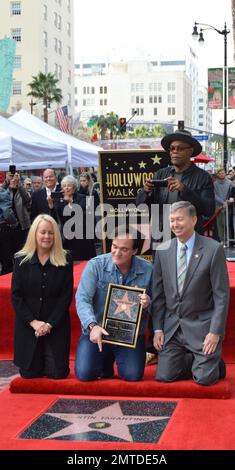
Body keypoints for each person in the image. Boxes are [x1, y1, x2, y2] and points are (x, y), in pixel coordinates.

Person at [137, 129, 215, 362]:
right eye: (171, 148)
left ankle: (190, 341)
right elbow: (142, 205)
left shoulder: (201, 177)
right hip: (163, 242)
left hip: (191, 244)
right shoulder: (161, 172)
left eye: (180, 148)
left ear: (191, 151)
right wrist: (146, 192)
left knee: (188, 290)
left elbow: (208, 209)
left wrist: (185, 190)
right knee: (158, 289)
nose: (174, 152)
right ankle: (155, 341)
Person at [152, 201, 229, 385]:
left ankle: (214, 364)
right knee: (164, 376)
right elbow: (158, 294)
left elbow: (221, 296)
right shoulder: (163, 250)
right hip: (173, 328)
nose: (175, 224)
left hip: (202, 326)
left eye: (180, 219)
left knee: (204, 379)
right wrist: (158, 328)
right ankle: (196, 361)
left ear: (193, 220)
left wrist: (215, 332)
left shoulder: (213, 249)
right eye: (172, 220)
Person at [75, 226, 153, 382]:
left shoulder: (148, 270)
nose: (117, 253)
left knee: (132, 375)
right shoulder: (96, 265)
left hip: (130, 335)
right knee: (85, 374)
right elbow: (82, 299)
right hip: (98, 331)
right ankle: (105, 360)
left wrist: (148, 303)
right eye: (114, 246)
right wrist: (92, 326)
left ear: (135, 251)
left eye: (124, 249)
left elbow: (159, 304)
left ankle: (109, 358)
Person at [11, 214, 74, 379]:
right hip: (28, 325)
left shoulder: (65, 259)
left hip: (55, 324)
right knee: (29, 373)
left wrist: (49, 324)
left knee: (57, 374)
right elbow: (16, 296)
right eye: (43, 232)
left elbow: (65, 297)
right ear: (34, 234)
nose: (47, 236)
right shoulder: (20, 260)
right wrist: (33, 322)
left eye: (51, 233)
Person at [49, 175, 96, 261]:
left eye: (69, 185)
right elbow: (56, 218)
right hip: (68, 240)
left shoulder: (83, 198)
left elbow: (81, 213)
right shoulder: (60, 201)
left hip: (83, 239)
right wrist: (51, 205)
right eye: (64, 186)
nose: (66, 188)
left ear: (74, 188)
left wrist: (70, 201)